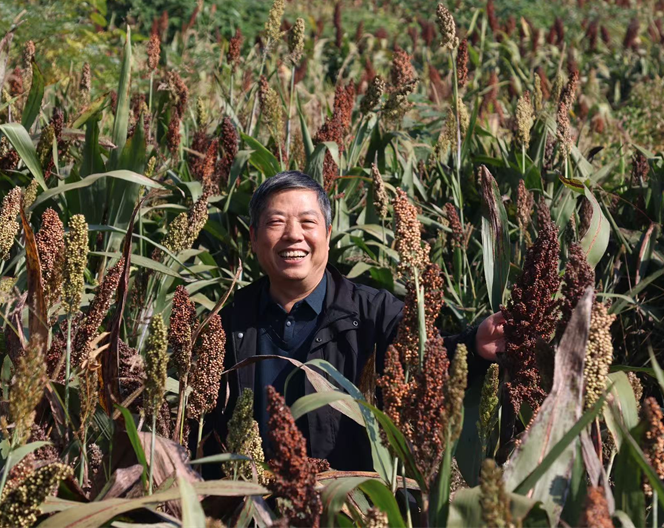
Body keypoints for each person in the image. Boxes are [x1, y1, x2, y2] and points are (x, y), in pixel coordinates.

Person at [210, 171, 505, 471]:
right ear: (253, 237)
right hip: (255, 508)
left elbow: (428, 361)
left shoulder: (373, 313)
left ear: (327, 233)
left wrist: (474, 344)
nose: (293, 234)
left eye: (307, 222)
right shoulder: (229, 322)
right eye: (276, 222)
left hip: (347, 506)